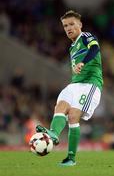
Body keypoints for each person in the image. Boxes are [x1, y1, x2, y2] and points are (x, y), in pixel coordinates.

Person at [36, 10, 103, 166]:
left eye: (72, 24)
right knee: (60, 106)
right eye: (65, 26)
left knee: (73, 116)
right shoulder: (72, 47)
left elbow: (95, 49)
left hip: (90, 84)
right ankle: (53, 133)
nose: (68, 28)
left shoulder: (86, 37)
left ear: (80, 25)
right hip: (75, 84)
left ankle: (71, 158)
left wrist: (82, 62)